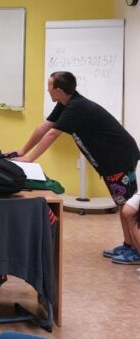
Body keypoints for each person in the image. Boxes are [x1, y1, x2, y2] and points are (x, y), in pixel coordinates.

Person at [14, 71, 140, 264]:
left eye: (49, 86)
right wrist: (23, 151)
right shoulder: (65, 104)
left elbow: (52, 134)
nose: (48, 90)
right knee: (121, 203)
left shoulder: (76, 107)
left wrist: (29, 158)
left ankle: (136, 251)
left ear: (58, 90)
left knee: (128, 207)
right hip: (112, 159)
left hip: (120, 157)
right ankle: (128, 245)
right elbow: (44, 127)